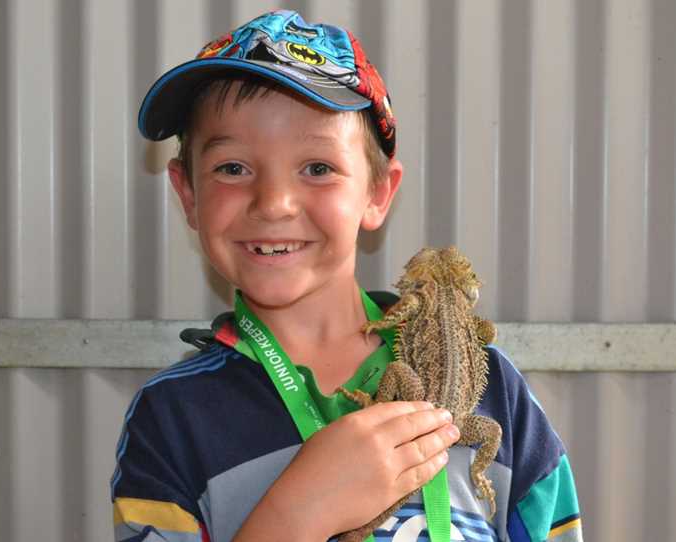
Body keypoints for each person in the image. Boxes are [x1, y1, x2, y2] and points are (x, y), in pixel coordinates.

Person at [111, 10, 582, 542]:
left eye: (317, 168)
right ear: (189, 194)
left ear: (378, 193)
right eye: (232, 168)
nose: (274, 204)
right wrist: (296, 514)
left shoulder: (495, 388)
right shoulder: (172, 416)